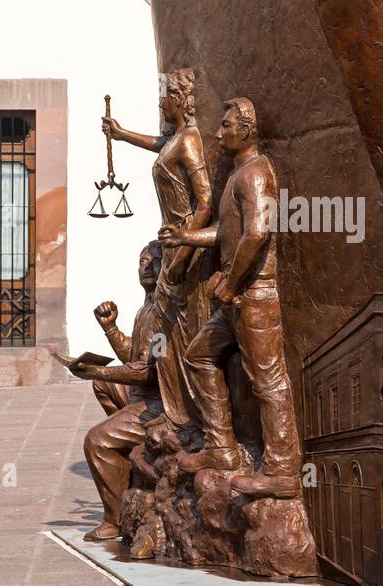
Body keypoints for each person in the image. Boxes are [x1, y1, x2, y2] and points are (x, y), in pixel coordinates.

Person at [161, 98, 301, 499]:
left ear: (246, 131)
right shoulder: (238, 175)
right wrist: (187, 236)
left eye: (225, 126)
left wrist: (232, 283)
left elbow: (257, 233)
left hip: (254, 295)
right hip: (237, 298)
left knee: (269, 380)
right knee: (199, 355)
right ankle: (221, 448)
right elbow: (227, 231)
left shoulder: (255, 175)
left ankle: (282, 470)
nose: (218, 133)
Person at [102, 68, 212, 444]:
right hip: (171, 244)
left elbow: (206, 199)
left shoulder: (191, 141)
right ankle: (173, 411)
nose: (161, 103)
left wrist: (185, 247)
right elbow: (159, 143)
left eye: (164, 97)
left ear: (179, 99)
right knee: (164, 336)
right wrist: (120, 134)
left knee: (178, 333)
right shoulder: (176, 139)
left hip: (183, 246)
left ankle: (186, 418)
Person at [74, 240, 164, 541]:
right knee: (103, 383)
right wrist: (111, 329)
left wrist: (99, 368)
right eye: (142, 261)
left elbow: (147, 371)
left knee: (96, 441)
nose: (147, 266)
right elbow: (134, 356)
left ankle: (115, 520)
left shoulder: (165, 310)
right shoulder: (146, 307)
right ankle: (127, 453)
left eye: (155, 261)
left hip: (160, 403)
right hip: (143, 395)